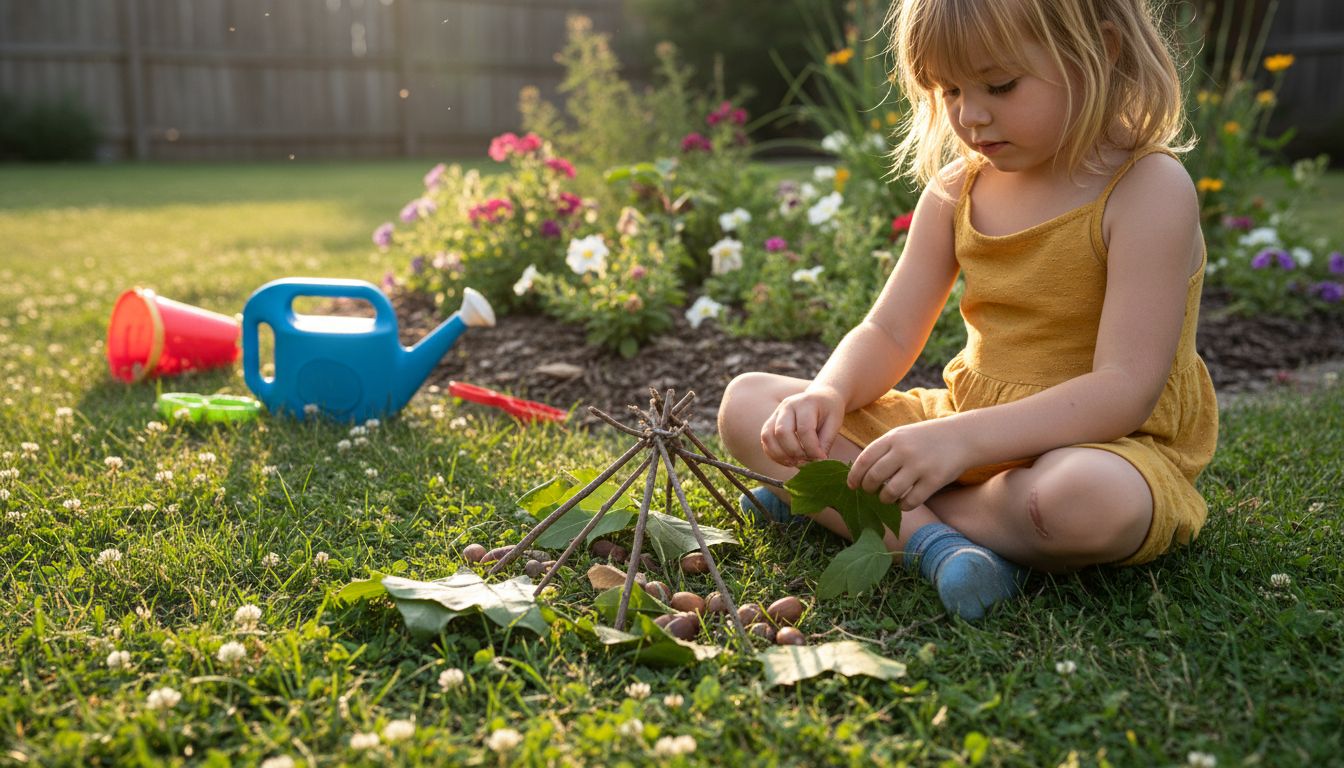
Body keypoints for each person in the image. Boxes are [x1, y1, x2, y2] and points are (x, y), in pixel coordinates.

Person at [717, 0, 1218, 620]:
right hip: (963, 424)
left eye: (1000, 85)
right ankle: (937, 545)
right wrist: (829, 394)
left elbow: (1124, 390)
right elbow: (890, 329)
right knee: (748, 403)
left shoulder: (1147, 189)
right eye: (949, 89)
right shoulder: (958, 189)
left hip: (1103, 444)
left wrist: (957, 443)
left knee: (1086, 502)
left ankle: (846, 506)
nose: (970, 115)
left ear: (1104, 52)